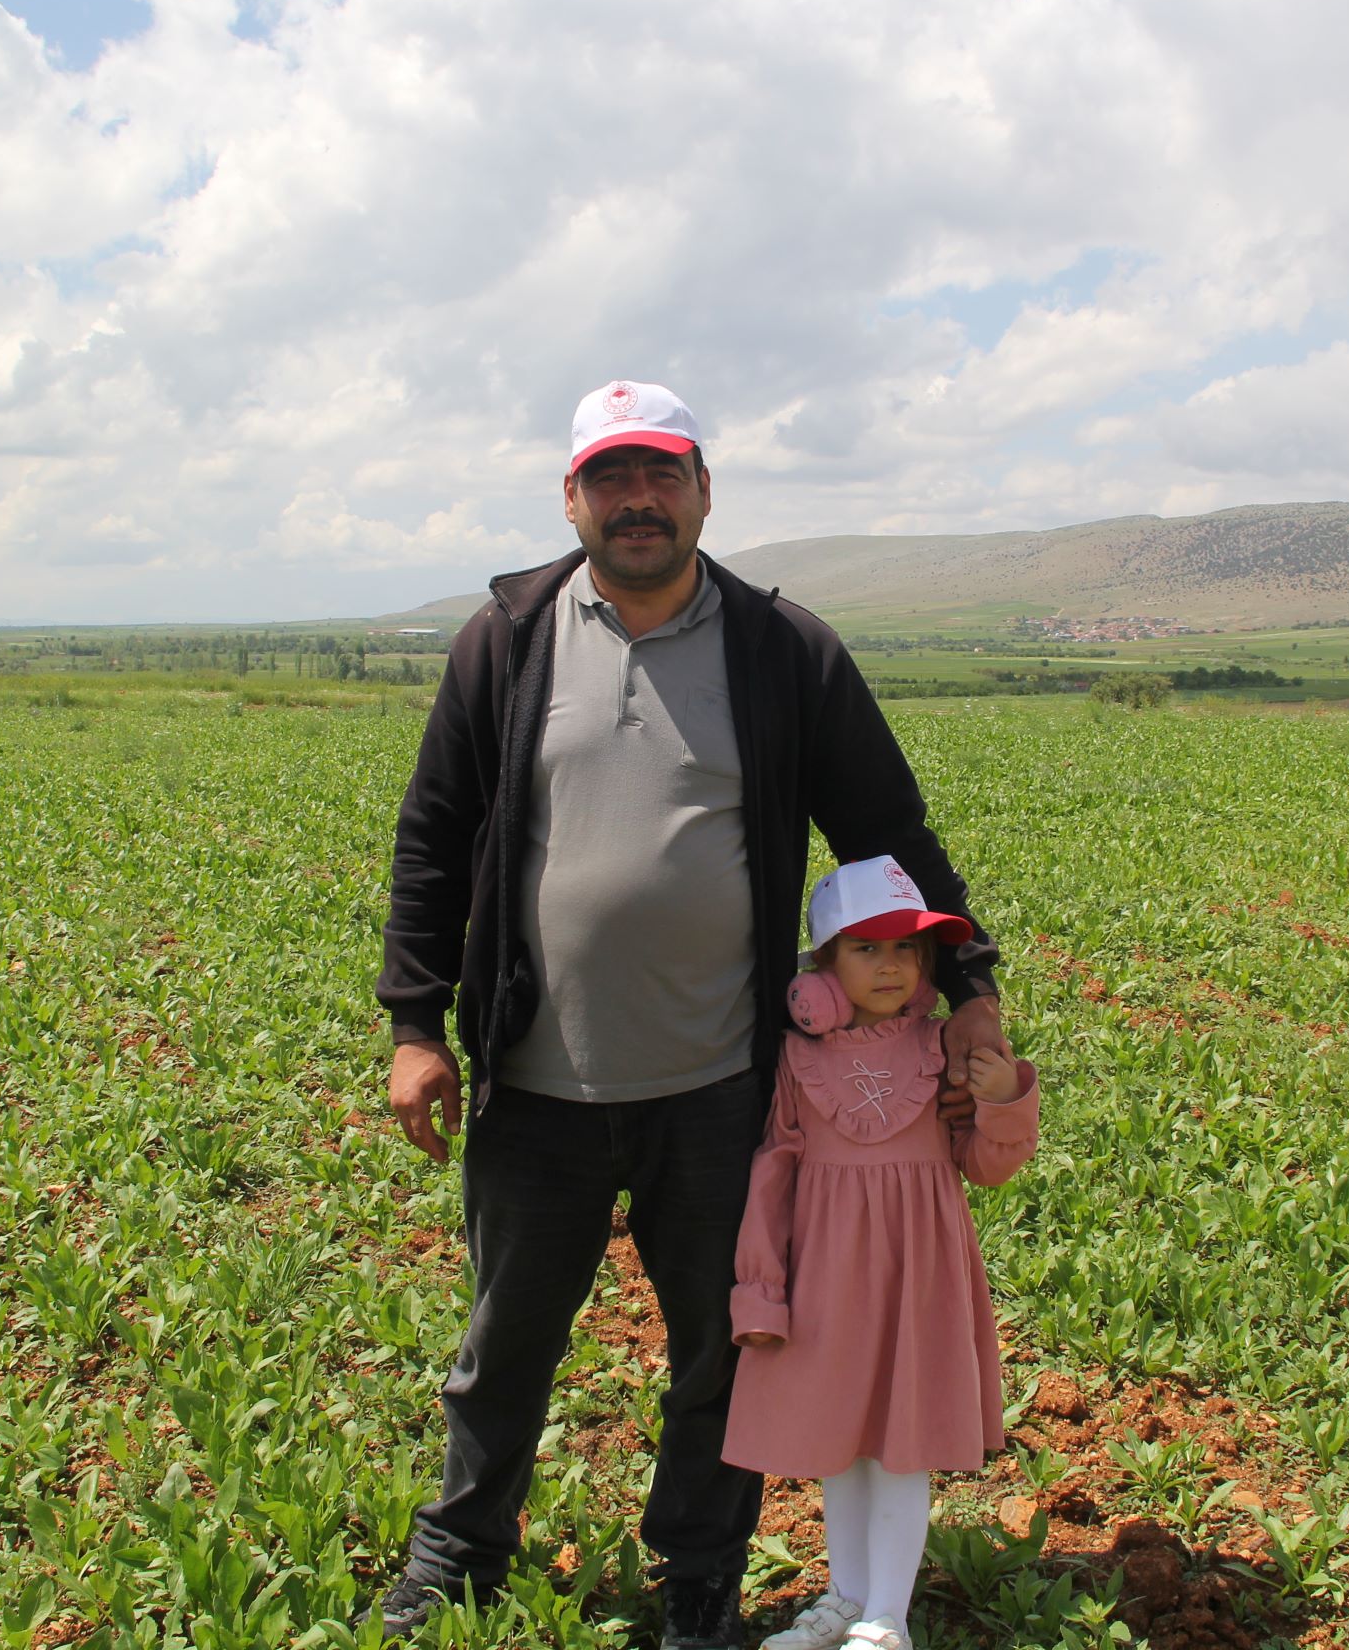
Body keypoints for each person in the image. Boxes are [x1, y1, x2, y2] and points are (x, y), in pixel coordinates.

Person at [374, 380, 1012, 1650]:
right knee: (505, 1341)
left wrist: (975, 988)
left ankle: (702, 1578)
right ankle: (457, 1554)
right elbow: (435, 838)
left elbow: (887, 830)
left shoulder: (783, 652)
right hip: (535, 1077)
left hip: (726, 1082)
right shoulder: (506, 639)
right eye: (611, 476)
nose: (638, 498)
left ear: (704, 488)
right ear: (573, 498)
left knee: (724, 1345)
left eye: (661, 472)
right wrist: (412, 1023)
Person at [726, 856, 1040, 1650]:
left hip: (919, 1276)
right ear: (821, 969)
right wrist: (761, 1290)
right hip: (828, 1277)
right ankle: (847, 1595)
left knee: (902, 1443)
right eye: (866, 949)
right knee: (843, 1442)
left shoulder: (945, 1049)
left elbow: (988, 1166)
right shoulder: (797, 1058)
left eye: (907, 948)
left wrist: (1003, 1096)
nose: (892, 964)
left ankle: (885, 1619)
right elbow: (773, 1175)